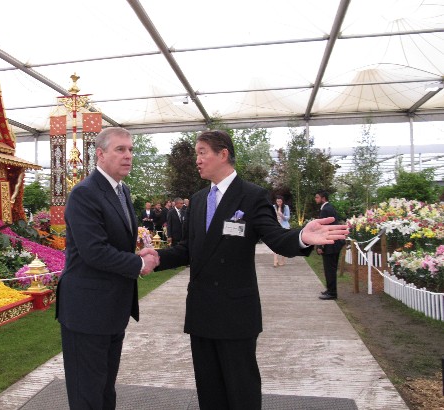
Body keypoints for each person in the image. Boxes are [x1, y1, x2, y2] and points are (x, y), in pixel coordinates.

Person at [142, 130, 348, 409]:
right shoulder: (200, 199)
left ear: (223, 154)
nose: (197, 160)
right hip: (201, 310)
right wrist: (158, 258)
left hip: (235, 313)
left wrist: (301, 237)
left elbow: (276, 238)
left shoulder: (251, 196)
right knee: (209, 390)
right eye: (196, 154)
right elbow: (189, 248)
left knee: (241, 391)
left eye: (202, 152)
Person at [56, 127, 159, 409]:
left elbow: (114, 242)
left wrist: (139, 252)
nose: (128, 156)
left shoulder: (121, 190)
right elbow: (94, 252)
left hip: (113, 308)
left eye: (131, 150)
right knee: (87, 394)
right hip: (86, 311)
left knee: (104, 391)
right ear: (100, 154)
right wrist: (139, 263)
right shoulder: (84, 193)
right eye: (120, 150)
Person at [315, 190, 345, 300]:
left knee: (330, 269)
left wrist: (320, 246)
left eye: (317, 197)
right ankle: (330, 289)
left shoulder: (325, 210)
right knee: (330, 268)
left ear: (323, 198)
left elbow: (323, 229)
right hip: (334, 242)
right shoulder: (329, 208)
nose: (315, 199)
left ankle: (332, 293)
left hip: (331, 244)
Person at [272, 195, 290, 267]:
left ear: (282, 201)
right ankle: (275, 261)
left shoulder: (286, 207)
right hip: (276, 226)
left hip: (284, 226)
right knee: (275, 243)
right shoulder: (273, 207)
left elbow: (287, 218)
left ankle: (283, 260)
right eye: (277, 201)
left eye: (280, 201)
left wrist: (282, 215)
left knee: (284, 244)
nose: (279, 203)